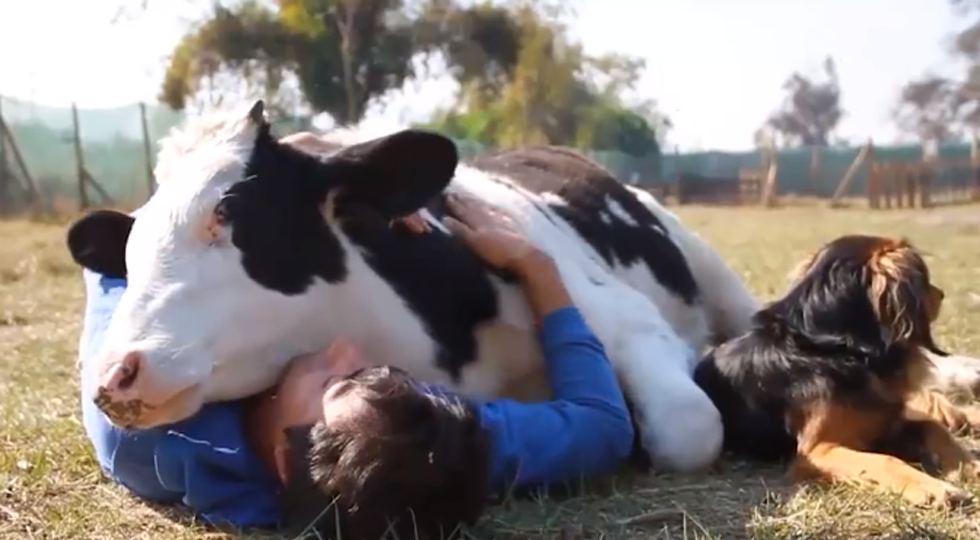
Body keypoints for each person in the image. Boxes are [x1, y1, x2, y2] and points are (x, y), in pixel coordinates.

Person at [79, 142, 634, 539]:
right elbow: (601, 429)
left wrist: (284, 179)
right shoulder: (424, 447)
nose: (349, 350)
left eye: (338, 381)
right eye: (384, 373)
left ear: (280, 458)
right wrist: (535, 268)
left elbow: (117, 267)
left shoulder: (147, 438)